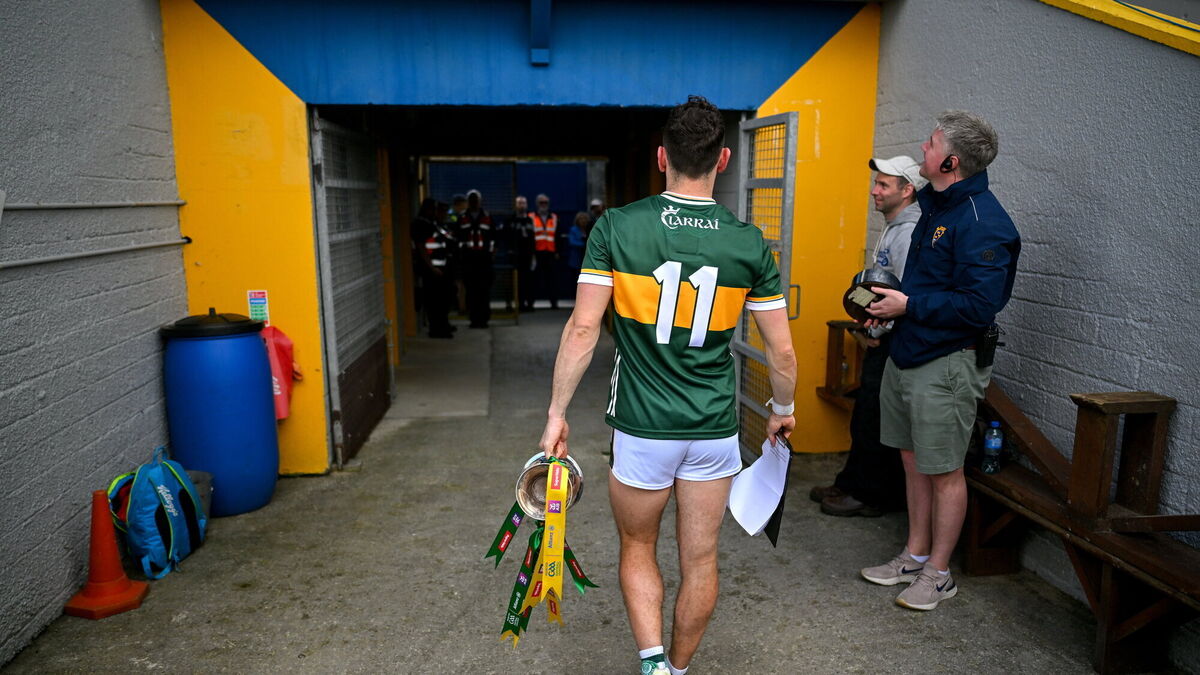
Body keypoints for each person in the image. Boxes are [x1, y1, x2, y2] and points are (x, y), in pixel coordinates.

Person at [538, 96, 797, 675]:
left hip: (642, 426)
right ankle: (679, 670)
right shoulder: (749, 242)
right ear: (723, 159)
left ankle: (653, 667)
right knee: (700, 558)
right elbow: (781, 350)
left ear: (662, 157)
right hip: (713, 427)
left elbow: (583, 328)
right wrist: (782, 407)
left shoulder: (616, 226)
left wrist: (556, 413)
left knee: (638, 546)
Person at [861, 110, 1020, 611]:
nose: (922, 150)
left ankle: (939, 573)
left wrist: (908, 306)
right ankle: (914, 556)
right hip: (907, 351)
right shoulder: (933, 203)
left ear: (951, 162)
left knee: (944, 470)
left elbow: (978, 306)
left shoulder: (984, 222)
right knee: (912, 461)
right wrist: (885, 308)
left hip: (947, 362)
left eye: (930, 145)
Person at [810, 155, 926, 517]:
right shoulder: (893, 227)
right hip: (881, 337)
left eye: (883, 185)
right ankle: (850, 483)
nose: (875, 190)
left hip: (894, 344)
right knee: (865, 414)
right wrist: (867, 319)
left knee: (875, 418)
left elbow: (903, 295)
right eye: (876, 183)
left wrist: (880, 328)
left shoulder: (909, 232)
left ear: (907, 190)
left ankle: (869, 495)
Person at [410, 198, 455, 338]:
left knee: (443, 299)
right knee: (435, 301)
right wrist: (431, 267)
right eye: (434, 209)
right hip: (431, 271)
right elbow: (421, 246)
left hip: (441, 268)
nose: (436, 212)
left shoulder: (433, 224)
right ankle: (437, 329)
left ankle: (443, 325)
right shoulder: (420, 224)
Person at [457, 189, 495, 328]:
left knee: (483, 291)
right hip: (469, 261)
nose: (474, 202)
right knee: (471, 291)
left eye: (476, 199)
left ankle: (483, 319)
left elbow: (494, 237)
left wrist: (491, 255)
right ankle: (474, 319)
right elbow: (458, 237)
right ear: (468, 201)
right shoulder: (462, 217)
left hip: (484, 261)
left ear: (480, 201)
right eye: (471, 199)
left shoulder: (487, 217)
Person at [508, 196, 536, 312]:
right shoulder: (511, 220)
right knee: (516, 280)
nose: (522, 205)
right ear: (515, 205)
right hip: (515, 255)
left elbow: (533, 238)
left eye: (523, 203)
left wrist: (533, 255)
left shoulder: (529, 220)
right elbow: (507, 237)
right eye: (519, 203)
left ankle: (529, 304)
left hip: (527, 255)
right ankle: (517, 304)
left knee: (528, 280)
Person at [530, 193, 558, 309]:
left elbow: (557, 235)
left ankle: (554, 303)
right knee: (534, 279)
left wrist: (557, 251)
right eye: (541, 202)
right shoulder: (531, 217)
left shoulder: (554, 217)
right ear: (537, 204)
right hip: (537, 252)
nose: (544, 204)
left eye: (545, 202)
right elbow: (529, 236)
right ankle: (530, 303)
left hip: (550, 252)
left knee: (552, 279)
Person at [563, 211, 589, 282]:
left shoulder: (589, 229)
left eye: (585, 218)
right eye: (581, 219)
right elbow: (572, 242)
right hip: (576, 258)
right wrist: (585, 244)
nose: (583, 220)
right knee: (575, 279)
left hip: (586, 259)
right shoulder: (573, 230)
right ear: (577, 220)